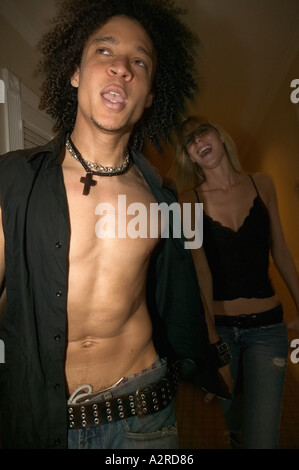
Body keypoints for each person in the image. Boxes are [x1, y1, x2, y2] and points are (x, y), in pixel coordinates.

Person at [0, 1, 231, 450]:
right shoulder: (12, 180)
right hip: (40, 420)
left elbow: (185, 290)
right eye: (105, 51)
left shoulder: (161, 199)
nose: (122, 67)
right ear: (75, 73)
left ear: (147, 97)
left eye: (139, 61)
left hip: (144, 417)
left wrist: (214, 350)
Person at [169, 115, 299, 449]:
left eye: (202, 133)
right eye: (190, 143)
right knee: (237, 424)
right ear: (190, 157)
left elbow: (281, 250)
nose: (198, 143)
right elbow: (201, 271)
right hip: (221, 332)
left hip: (268, 331)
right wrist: (213, 343)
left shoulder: (262, 184)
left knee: (262, 438)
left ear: (220, 136)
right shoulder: (188, 201)